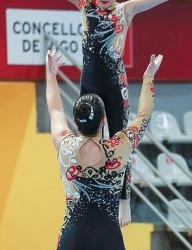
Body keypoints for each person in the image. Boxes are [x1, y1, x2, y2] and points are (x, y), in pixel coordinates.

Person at [45, 49, 163, 249]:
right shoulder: (119, 147)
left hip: (73, 238)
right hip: (108, 238)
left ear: (75, 120)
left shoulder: (65, 145)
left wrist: (50, 73)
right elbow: (144, 115)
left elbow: (55, 109)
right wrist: (148, 76)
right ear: (103, 121)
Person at [66, 0, 168, 226]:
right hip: (90, 84)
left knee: (121, 139)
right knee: (86, 138)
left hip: (115, 85)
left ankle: (124, 199)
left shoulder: (126, 9)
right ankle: (84, 191)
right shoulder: (85, 5)